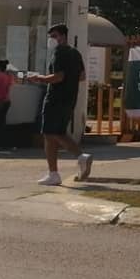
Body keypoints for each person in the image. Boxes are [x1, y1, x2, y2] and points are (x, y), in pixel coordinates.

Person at [28, 24, 92, 186]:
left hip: (55, 98)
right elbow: (82, 76)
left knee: (51, 132)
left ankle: (80, 156)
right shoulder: (75, 53)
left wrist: (39, 78)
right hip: (70, 98)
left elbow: (58, 77)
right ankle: (53, 173)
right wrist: (70, 81)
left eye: (54, 36)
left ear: (63, 36)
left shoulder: (59, 52)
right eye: (50, 36)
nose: (52, 40)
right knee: (53, 133)